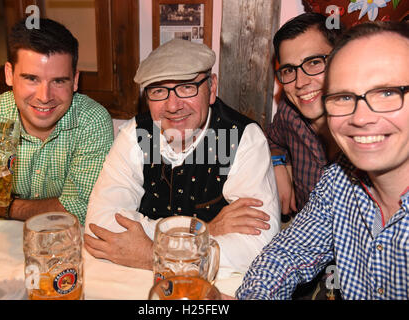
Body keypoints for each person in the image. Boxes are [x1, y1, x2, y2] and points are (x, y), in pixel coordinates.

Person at [237, 21, 409, 300]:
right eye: (342, 97)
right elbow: (286, 254)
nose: (360, 117)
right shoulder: (338, 183)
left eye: (387, 93)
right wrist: (279, 165)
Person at [84, 39, 280, 277]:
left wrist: (152, 254)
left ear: (212, 88)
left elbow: (258, 247)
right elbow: (99, 226)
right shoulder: (135, 133)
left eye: (187, 87)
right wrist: (203, 230)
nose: (173, 105)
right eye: (158, 91)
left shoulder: (242, 138)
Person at [0, 18, 113, 225]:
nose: (44, 96)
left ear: (75, 81)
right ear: (9, 74)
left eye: (58, 81)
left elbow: (84, 209)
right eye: (31, 78)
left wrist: (3, 207)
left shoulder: (92, 121)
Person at [267, 13, 342, 217]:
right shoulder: (289, 113)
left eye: (314, 62)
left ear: (342, 58)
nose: (300, 82)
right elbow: (273, 140)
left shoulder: (371, 129)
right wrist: (278, 166)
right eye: (290, 70)